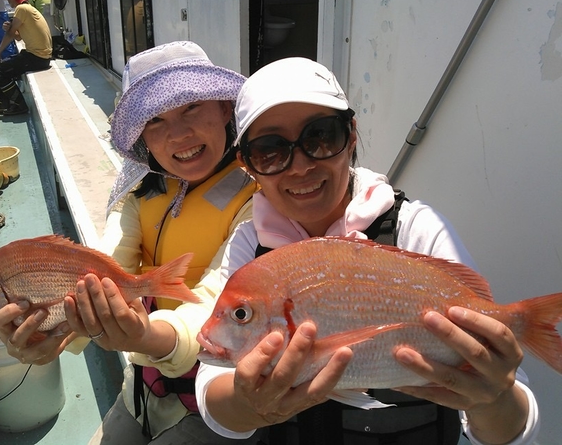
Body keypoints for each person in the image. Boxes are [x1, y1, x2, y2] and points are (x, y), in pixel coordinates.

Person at [195, 57, 541, 445]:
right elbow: (213, 393)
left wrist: (489, 401)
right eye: (270, 150)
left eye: (321, 136)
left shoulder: (415, 228)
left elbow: (514, 425)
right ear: (247, 164)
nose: (300, 166)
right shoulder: (249, 244)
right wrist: (247, 405)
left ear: (351, 136)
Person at [0, 41, 261, 444]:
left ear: (224, 108)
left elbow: (216, 295)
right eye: (155, 121)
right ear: (142, 140)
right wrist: (52, 335)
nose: (179, 134)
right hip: (142, 386)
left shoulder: (257, 199)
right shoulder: (142, 193)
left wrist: (145, 336)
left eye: (192, 108)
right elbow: (102, 263)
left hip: (215, 396)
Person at [0, 0, 52, 115]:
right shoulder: (28, 7)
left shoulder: (21, 9)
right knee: (7, 67)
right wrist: (10, 28)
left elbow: (10, 35)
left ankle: (19, 105)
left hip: (37, 58)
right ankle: (8, 101)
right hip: (41, 57)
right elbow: (18, 36)